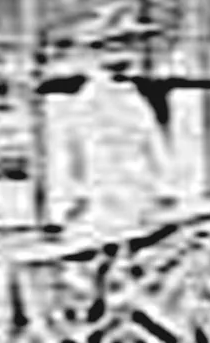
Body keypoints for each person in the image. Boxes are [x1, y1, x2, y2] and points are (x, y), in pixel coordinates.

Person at [48, 16, 179, 235]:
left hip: (138, 190)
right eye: (110, 48)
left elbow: (152, 142)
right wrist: (67, 200)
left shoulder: (133, 98)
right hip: (101, 194)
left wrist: (164, 186)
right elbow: (67, 153)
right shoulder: (84, 103)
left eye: (125, 47)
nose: (122, 57)